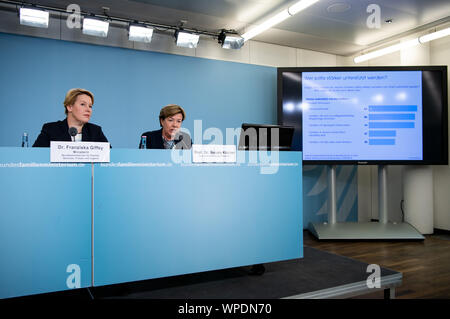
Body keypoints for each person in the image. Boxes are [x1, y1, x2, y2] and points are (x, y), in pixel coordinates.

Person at [33, 88, 109, 147]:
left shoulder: (95, 131)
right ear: (69, 107)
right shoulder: (51, 130)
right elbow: (36, 156)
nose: (88, 109)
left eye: (90, 106)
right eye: (83, 104)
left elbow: (110, 157)